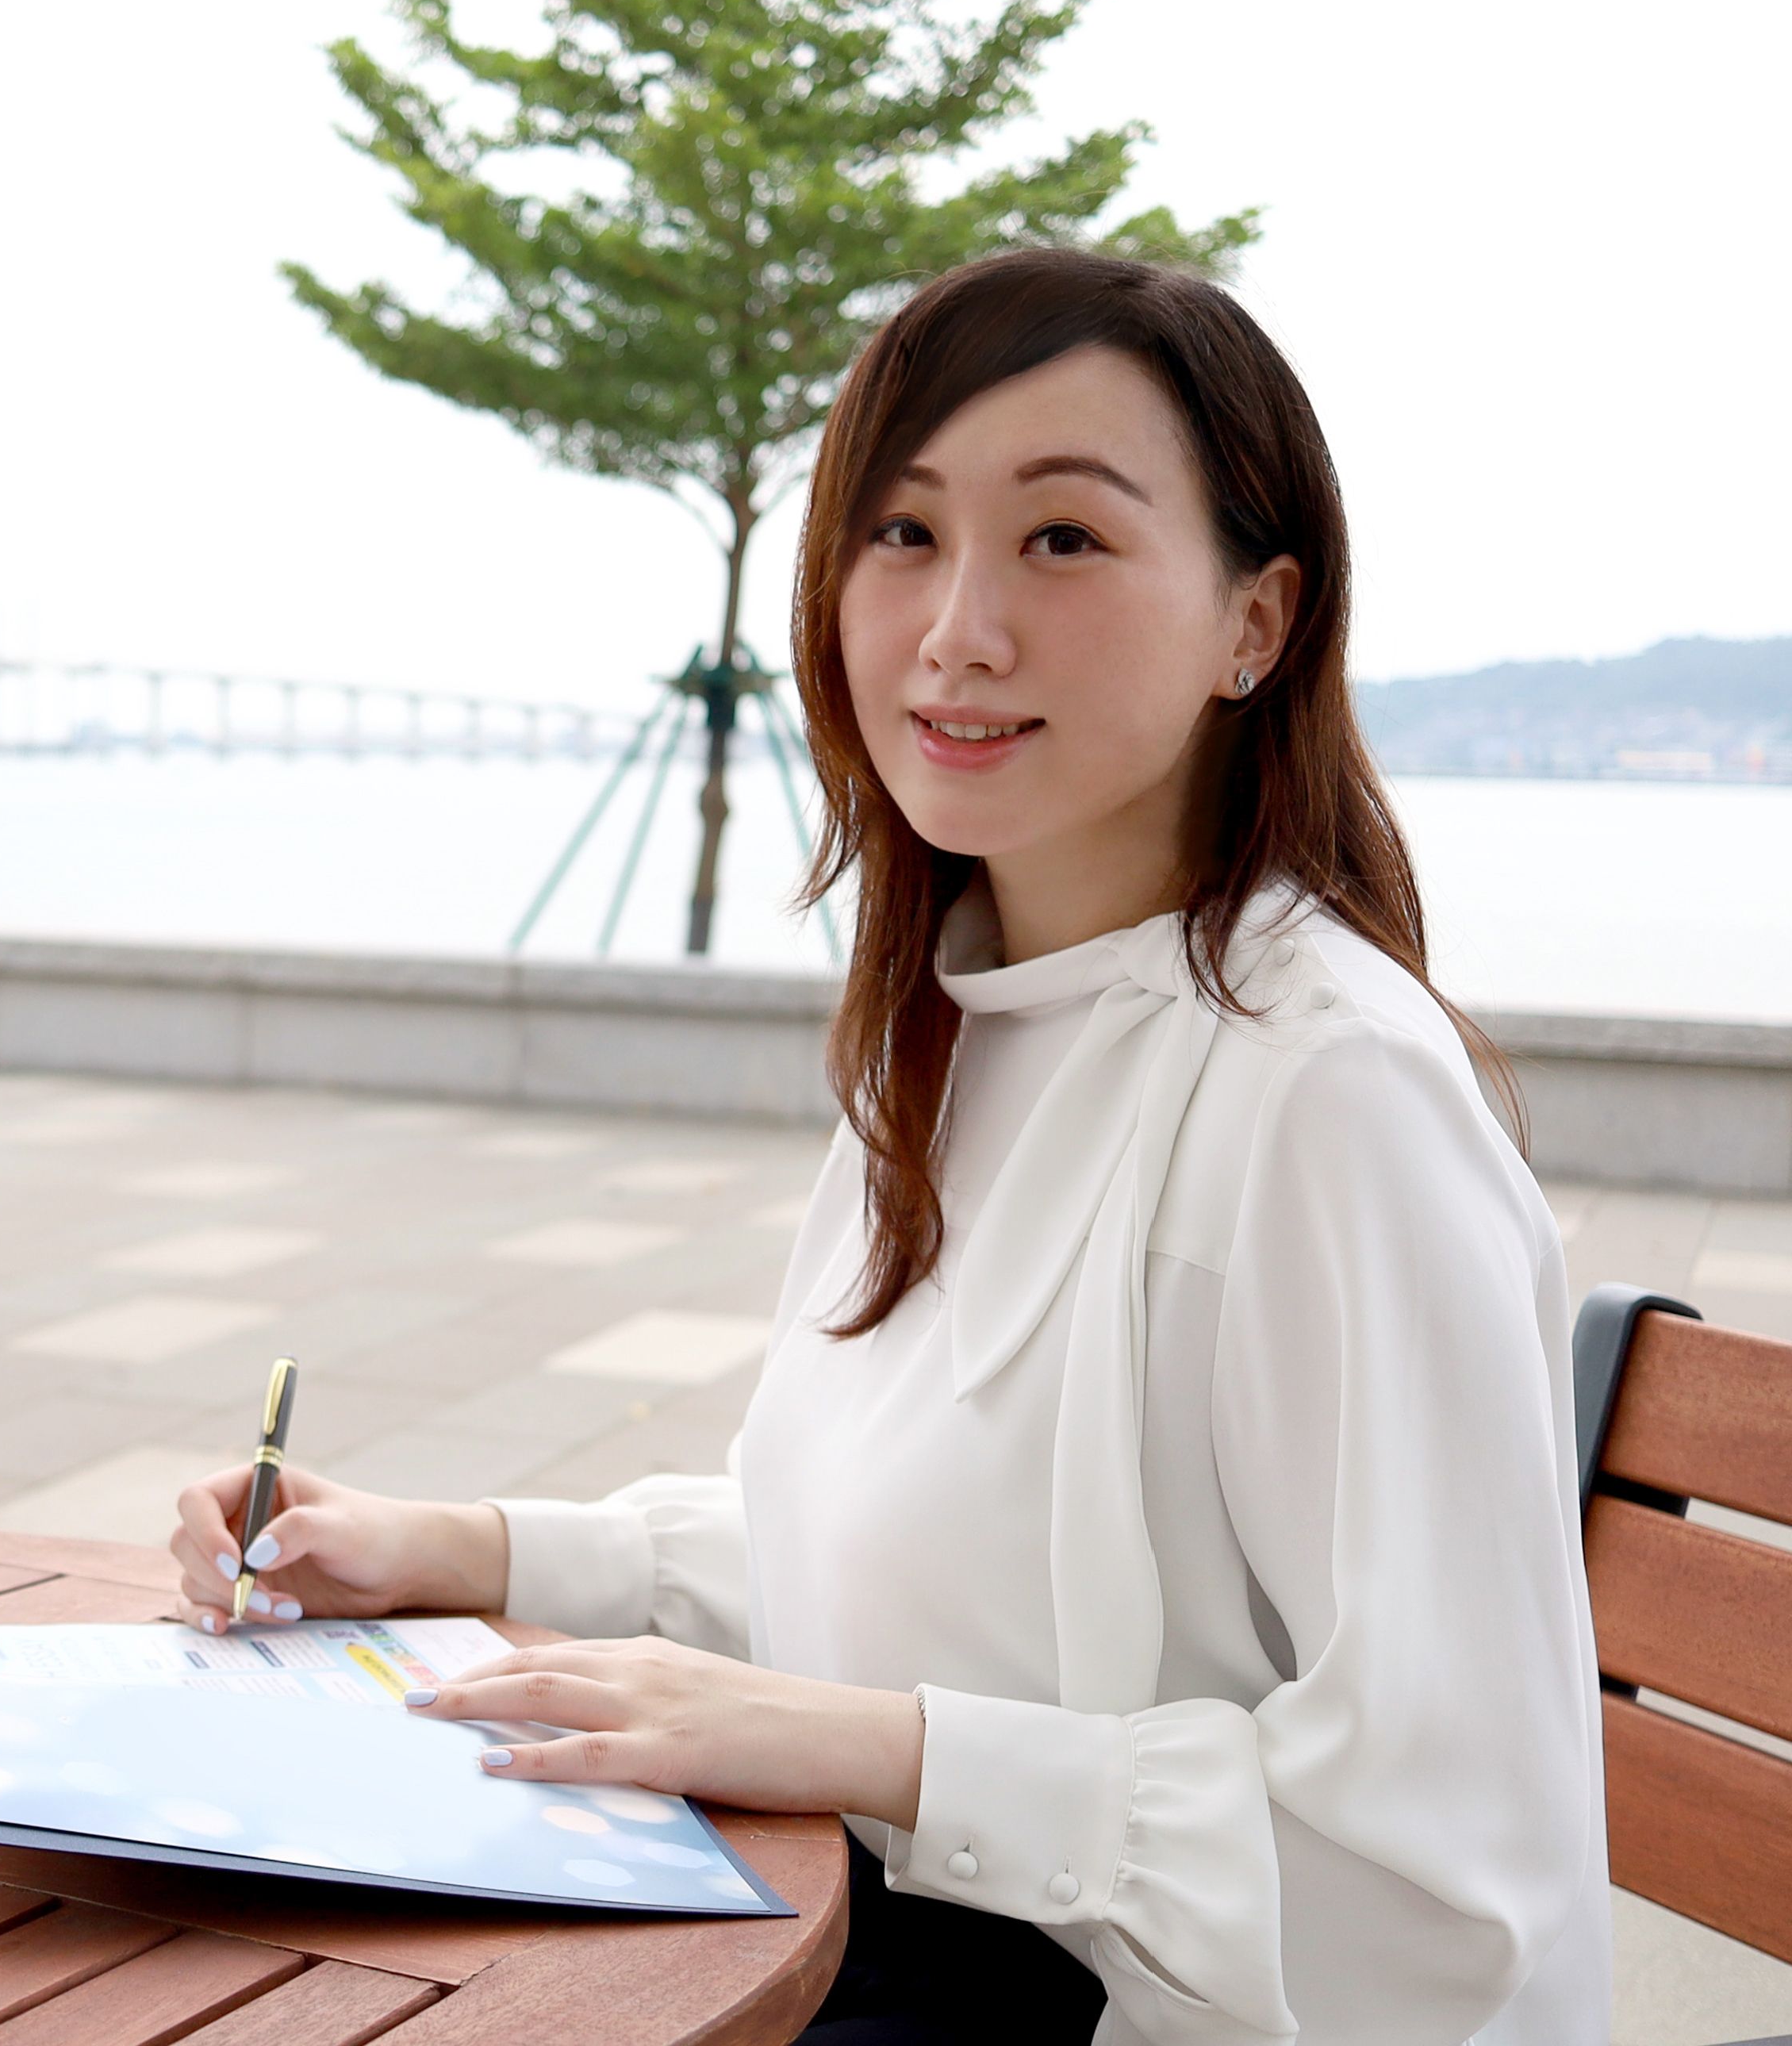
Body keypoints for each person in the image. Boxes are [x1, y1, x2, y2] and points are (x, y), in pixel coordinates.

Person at [171, 248, 1604, 2044]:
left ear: (1261, 621)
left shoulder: (1329, 1097)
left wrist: (873, 1748)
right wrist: (448, 1547)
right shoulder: (957, 1026)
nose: (957, 631)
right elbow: (892, 1565)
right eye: (903, 534)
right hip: (901, 1943)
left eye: (1062, 541)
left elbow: (1444, 1874)